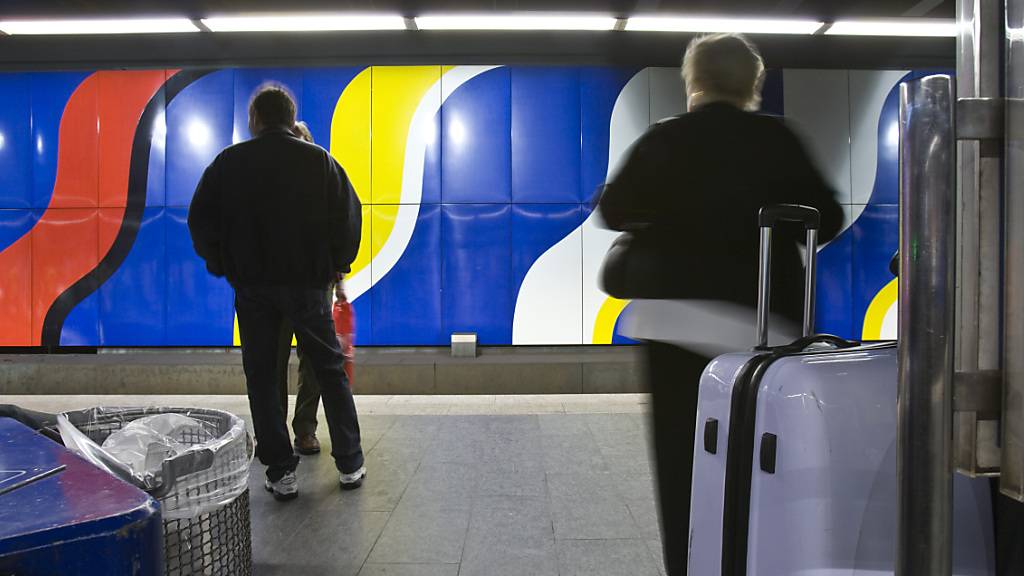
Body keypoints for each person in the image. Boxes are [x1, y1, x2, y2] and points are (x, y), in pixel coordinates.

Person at [597, 33, 843, 575]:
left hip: (675, 324)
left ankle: (687, 566)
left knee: (681, 460)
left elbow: (612, 209)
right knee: (759, 460)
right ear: (752, 84)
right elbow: (827, 216)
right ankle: (750, 559)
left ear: (693, 79)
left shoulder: (665, 139)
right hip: (761, 328)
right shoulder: (777, 140)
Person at [188, 85, 366, 501]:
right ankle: (351, 462)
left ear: (255, 120)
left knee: (264, 378)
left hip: (254, 291)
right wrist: (336, 265)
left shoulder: (228, 163)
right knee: (328, 371)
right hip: (308, 287)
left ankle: (281, 471)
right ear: (291, 117)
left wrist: (223, 265)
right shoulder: (320, 161)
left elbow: (201, 221)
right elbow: (349, 216)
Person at [274, 121, 328, 457]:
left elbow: (340, 224)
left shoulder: (323, 183)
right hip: (271, 288)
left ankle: (304, 429)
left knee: (314, 364)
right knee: (271, 364)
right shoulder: (263, 187)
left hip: (311, 287)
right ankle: (274, 431)